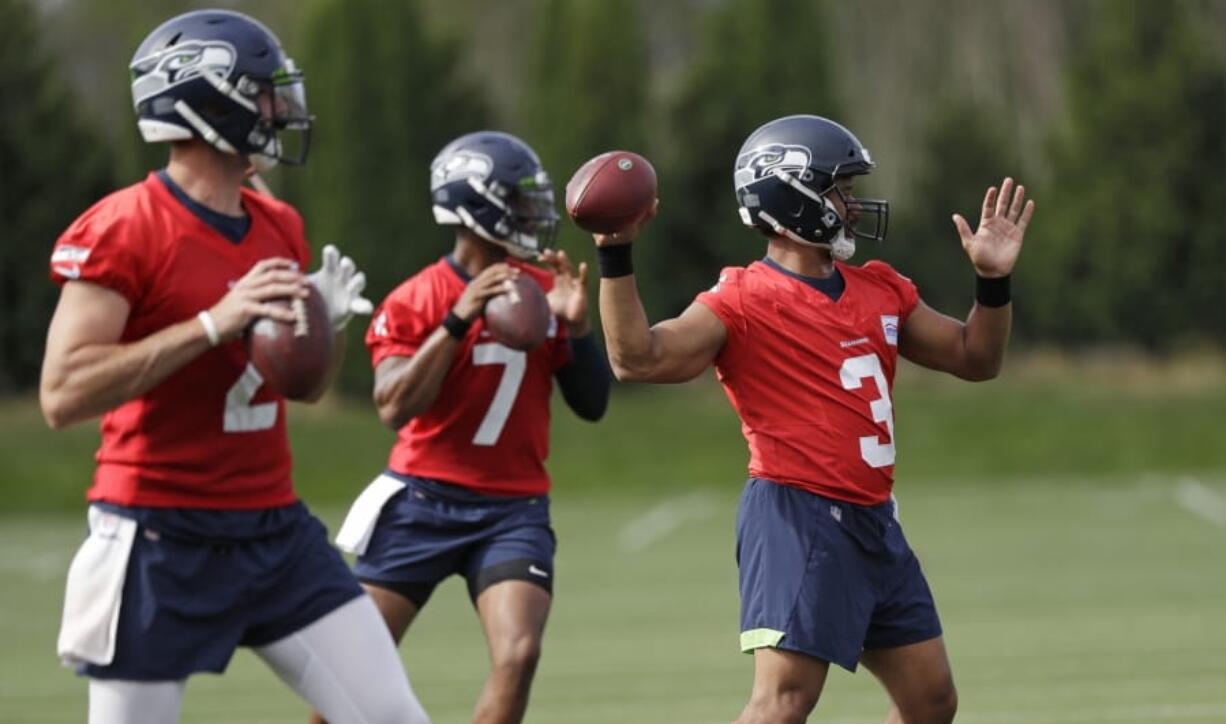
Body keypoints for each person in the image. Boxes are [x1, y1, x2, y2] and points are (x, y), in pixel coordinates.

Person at [40, 10, 428, 724]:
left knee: (392, 717)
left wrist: (322, 325)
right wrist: (212, 324)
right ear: (207, 99)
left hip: (273, 532)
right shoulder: (123, 226)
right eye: (264, 93)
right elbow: (62, 394)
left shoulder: (277, 223)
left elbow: (304, 387)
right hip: (160, 537)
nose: (280, 109)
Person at [590, 114, 1035, 723]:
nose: (851, 205)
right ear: (790, 195)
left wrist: (992, 281)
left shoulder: (880, 288)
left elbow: (976, 358)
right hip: (797, 515)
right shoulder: (743, 299)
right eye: (838, 190)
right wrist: (616, 254)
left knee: (931, 701)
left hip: (874, 521)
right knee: (783, 702)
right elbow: (638, 358)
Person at [321, 131, 610, 724]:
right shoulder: (417, 298)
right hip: (421, 501)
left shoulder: (537, 293)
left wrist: (578, 330)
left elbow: (592, 403)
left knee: (519, 651)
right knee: (349, 672)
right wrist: (459, 317)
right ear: (475, 208)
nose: (536, 216)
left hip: (511, 510)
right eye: (520, 202)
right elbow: (393, 407)